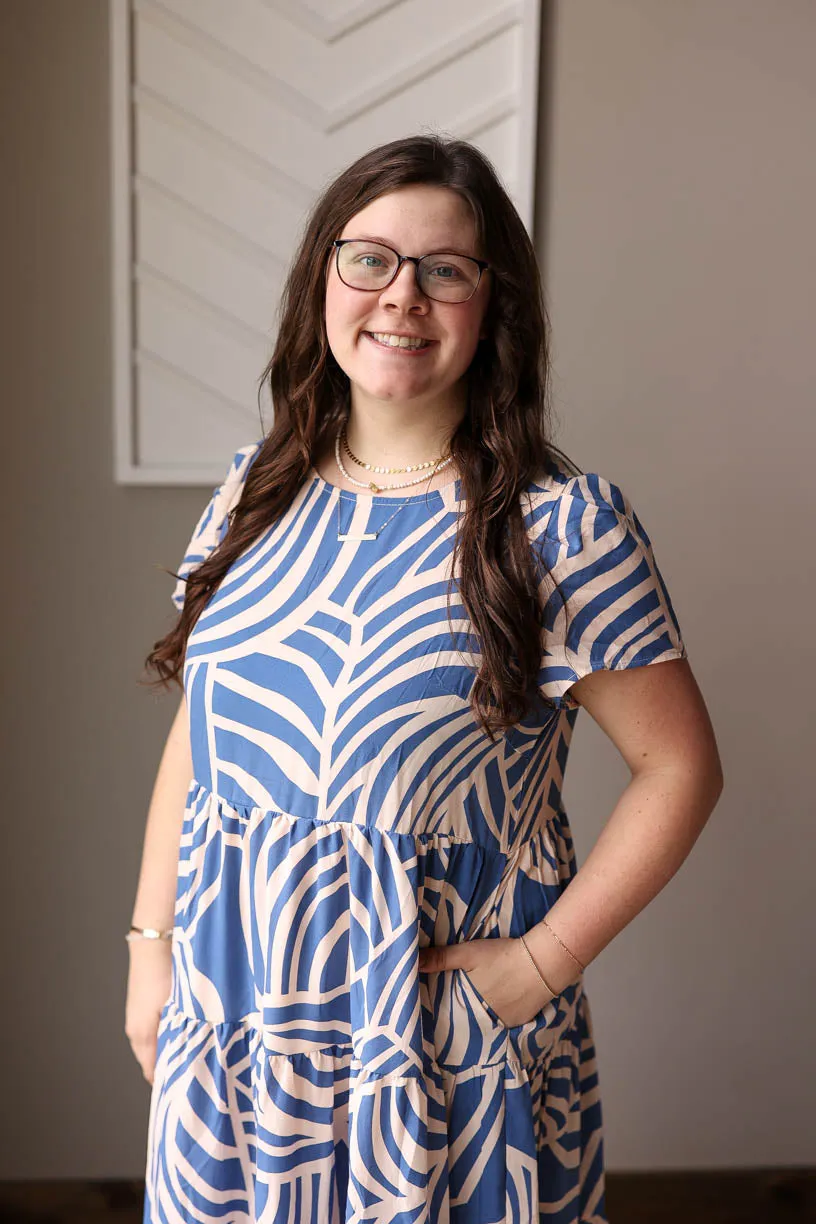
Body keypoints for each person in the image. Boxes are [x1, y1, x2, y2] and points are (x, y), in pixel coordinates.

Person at [126, 134, 723, 1224]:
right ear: (324, 280)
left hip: (435, 1047)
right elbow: (202, 735)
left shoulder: (561, 526)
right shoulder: (253, 495)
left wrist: (542, 964)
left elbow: (680, 768)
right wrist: (148, 951)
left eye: (444, 270)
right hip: (235, 1017)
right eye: (371, 260)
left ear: (493, 305)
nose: (402, 297)